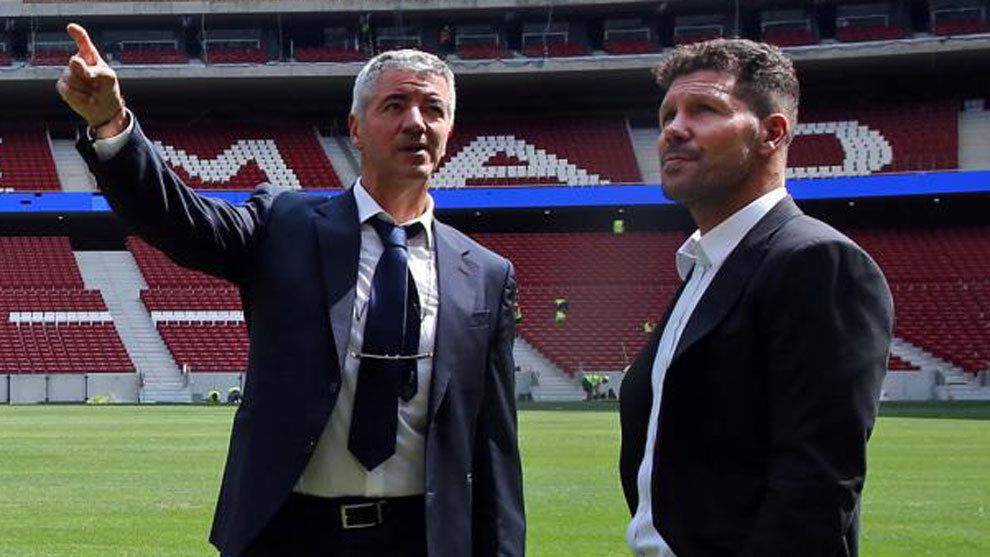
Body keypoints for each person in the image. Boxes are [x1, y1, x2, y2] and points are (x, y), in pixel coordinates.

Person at [57, 23, 525, 557]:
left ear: (449, 130)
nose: (416, 122)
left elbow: (495, 446)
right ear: (355, 127)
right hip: (289, 534)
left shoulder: (485, 274)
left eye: (433, 109)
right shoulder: (284, 223)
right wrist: (112, 123)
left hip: (424, 539)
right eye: (395, 105)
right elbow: (180, 220)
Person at [619, 39, 893, 557]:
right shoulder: (704, 265)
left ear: (772, 132)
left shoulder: (817, 261)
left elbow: (814, 488)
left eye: (704, 110)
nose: (674, 129)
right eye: (668, 114)